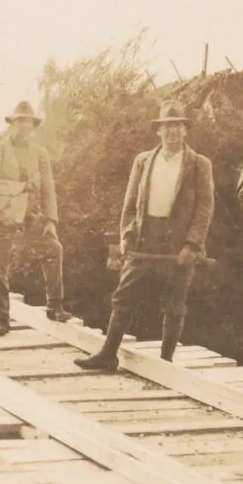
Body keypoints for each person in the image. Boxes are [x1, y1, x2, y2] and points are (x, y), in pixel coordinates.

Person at [74, 100, 215, 371]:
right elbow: (130, 203)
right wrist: (126, 236)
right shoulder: (143, 161)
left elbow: (205, 207)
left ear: (185, 131)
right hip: (144, 238)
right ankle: (107, 354)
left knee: (175, 303)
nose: (173, 132)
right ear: (158, 132)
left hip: (178, 242)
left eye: (178, 127)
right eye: (167, 128)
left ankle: (166, 362)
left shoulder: (199, 164)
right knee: (124, 296)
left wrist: (192, 243)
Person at [0, 101, 72, 337]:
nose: (22, 127)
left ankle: (54, 306)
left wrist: (50, 220)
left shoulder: (40, 153)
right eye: (18, 121)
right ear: (11, 124)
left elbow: (48, 189)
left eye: (27, 122)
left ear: (33, 126)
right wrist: (1, 208)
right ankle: (3, 318)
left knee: (53, 248)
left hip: (29, 218)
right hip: (1, 218)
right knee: (0, 268)